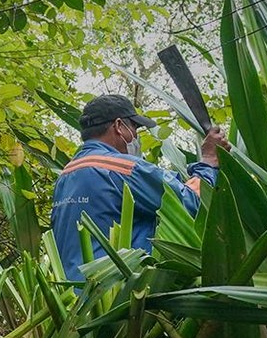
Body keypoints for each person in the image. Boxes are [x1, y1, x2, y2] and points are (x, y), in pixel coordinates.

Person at [50, 93, 227, 283]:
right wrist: (209, 162)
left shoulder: (66, 176)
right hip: (116, 296)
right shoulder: (123, 169)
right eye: (135, 128)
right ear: (119, 126)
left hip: (73, 299)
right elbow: (193, 203)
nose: (136, 137)